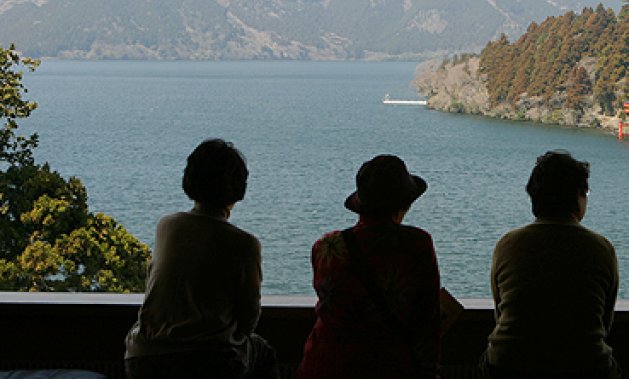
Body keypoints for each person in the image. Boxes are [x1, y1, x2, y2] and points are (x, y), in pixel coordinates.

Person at [124, 139, 277, 379]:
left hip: (144, 358)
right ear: (238, 187)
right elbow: (248, 321)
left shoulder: (167, 226)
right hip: (208, 363)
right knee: (263, 352)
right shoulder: (244, 243)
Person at [296, 154, 441, 379]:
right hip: (390, 367)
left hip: (325, 365)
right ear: (405, 203)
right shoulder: (418, 244)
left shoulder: (326, 246)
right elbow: (427, 320)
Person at [482, 150, 620, 379]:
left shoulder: (508, 245)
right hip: (586, 366)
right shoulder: (601, 248)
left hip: (509, 365)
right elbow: (604, 322)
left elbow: (501, 313)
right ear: (578, 196)